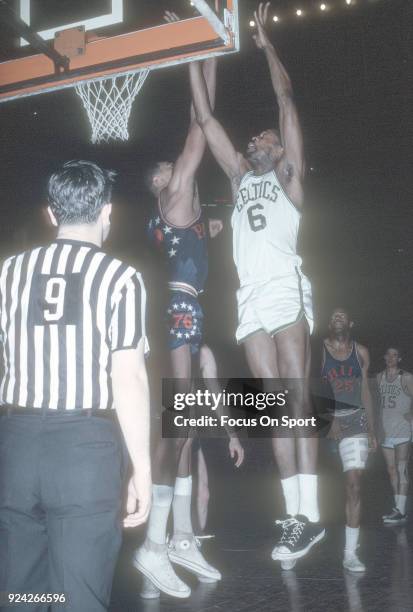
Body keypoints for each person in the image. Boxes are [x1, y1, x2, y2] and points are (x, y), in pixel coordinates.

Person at [190, 2, 323, 564]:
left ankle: (311, 514)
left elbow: (286, 100)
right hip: (250, 297)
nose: (258, 139)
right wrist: (190, 58)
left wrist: (267, 43)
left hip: (285, 287)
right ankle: (296, 517)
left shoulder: (289, 179)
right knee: (274, 407)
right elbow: (205, 122)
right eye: (258, 138)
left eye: (266, 138)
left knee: (297, 397)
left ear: (279, 151)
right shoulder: (241, 177)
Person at [0, 160, 151, 612]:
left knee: (22, 595)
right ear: (108, 211)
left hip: (15, 447)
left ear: (51, 213)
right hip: (84, 453)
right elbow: (130, 377)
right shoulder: (121, 278)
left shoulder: (7, 274)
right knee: (77, 597)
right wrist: (141, 469)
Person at [134, 38, 244, 598]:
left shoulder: (193, 215)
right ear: (162, 182)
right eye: (170, 167)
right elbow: (199, 128)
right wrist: (199, 57)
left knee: (189, 432)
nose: (178, 167)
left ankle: (179, 538)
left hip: (189, 312)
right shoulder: (174, 199)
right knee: (176, 428)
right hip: (178, 310)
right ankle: (153, 546)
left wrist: (211, 60)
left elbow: (204, 125)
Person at [321, 307, 377, 572]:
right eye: (333, 316)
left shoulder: (361, 352)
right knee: (312, 486)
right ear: (328, 323)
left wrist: (372, 429)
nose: (337, 318)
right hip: (322, 421)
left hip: (355, 422)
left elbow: (365, 390)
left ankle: (349, 553)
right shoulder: (317, 349)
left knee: (353, 485)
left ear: (351, 322)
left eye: (342, 315)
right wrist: (329, 417)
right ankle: (294, 543)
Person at [377, 347, 413, 523]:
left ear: (399, 359)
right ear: (384, 357)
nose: (391, 357)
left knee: (401, 469)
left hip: (402, 430)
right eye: (388, 354)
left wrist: (411, 414)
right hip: (386, 430)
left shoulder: (406, 377)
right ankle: (397, 507)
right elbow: (376, 403)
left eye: (395, 355)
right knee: (391, 471)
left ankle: (401, 509)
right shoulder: (379, 377)